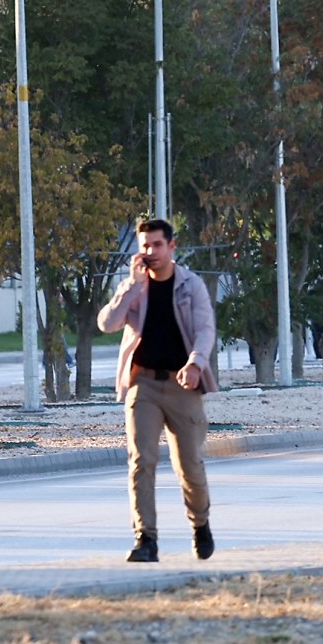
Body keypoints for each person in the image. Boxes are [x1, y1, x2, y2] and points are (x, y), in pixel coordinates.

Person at [97, 217, 220, 564]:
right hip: (143, 385)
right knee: (141, 461)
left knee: (189, 466)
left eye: (157, 245)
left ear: (171, 246)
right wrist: (131, 287)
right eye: (145, 246)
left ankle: (200, 524)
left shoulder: (191, 285)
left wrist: (195, 363)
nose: (150, 252)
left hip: (183, 384)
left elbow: (205, 330)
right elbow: (107, 323)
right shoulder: (135, 287)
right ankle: (145, 539)